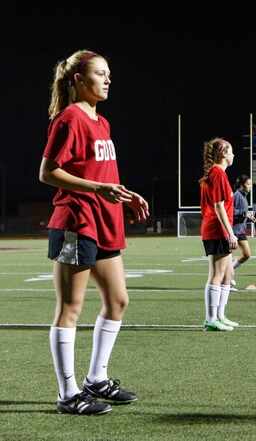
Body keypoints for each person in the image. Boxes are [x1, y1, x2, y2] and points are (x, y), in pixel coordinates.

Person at [40, 49, 149, 415]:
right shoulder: (69, 119)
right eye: (100, 74)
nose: (107, 80)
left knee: (118, 301)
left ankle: (96, 380)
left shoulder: (102, 123)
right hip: (76, 222)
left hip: (104, 220)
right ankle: (68, 394)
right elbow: (48, 172)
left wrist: (124, 194)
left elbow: (101, 175)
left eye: (108, 74)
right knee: (70, 308)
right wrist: (98, 190)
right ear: (77, 81)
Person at [199, 138, 239, 331]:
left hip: (217, 229)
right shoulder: (217, 173)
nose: (233, 155)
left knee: (227, 274)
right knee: (217, 274)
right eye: (231, 151)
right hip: (217, 229)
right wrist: (230, 233)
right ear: (223, 153)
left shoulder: (216, 173)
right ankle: (210, 319)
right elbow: (218, 206)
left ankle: (220, 316)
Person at [230, 175, 255, 289]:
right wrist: (244, 214)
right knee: (227, 257)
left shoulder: (244, 196)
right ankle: (228, 281)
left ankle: (230, 268)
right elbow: (230, 211)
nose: (250, 186)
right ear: (241, 185)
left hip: (240, 230)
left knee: (247, 255)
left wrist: (248, 215)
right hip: (233, 230)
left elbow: (241, 213)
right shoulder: (236, 195)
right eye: (248, 184)